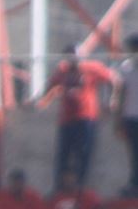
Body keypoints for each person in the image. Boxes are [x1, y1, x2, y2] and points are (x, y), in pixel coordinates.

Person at [39, 45, 118, 187]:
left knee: (83, 154)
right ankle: (61, 187)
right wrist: (42, 100)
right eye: (68, 57)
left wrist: (111, 99)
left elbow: (113, 79)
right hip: (67, 118)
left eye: (73, 56)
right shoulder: (63, 70)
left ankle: (81, 186)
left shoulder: (91, 67)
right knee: (63, 155)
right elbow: (50, 84)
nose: (71, 60)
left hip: (86, 117)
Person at [113, 34, 138, 195]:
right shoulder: (127, 69)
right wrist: (118, 120)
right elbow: (121, 95)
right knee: (134, 153)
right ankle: (134, 183)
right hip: (131, 117)